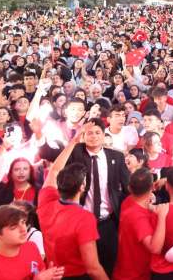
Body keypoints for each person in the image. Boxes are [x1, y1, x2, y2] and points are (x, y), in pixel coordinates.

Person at [37, 117, 130, 277]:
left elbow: (127, 187)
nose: (93, 136)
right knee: (85, 266)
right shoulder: (75, 151)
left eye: (97, 133)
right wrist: (39, 135)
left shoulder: (116, 157)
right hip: (78, 221)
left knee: (108, 263)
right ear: (83, 135)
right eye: (89, 133)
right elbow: (47, 154)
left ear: (103, 134)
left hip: (108, 222)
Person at [0, 205, 64, 280]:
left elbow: (40, 274)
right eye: (14, 227)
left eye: (23, 222)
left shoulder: (31, 246)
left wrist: (50, 277)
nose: (23, 229)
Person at [112, 168, 169, 280]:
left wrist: (158, 208)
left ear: (129, 189)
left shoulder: (127, 201)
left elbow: (146, 208)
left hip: (122, 271)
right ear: (153, 187)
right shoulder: (139, 219)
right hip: (135, 276)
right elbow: (155, 248)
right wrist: (162, 216)